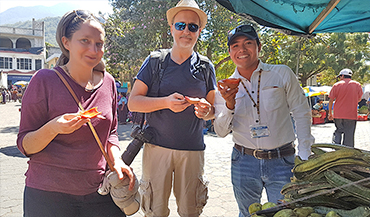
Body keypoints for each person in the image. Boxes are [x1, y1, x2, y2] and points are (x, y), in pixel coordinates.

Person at [17, 10, 135, 217]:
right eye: (85, 41)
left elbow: (112, 133)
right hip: (47, 195)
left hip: (99, 190)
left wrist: (117, 160)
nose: (93, 49)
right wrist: (54, 128)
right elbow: (25, 145)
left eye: (99, 44)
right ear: (66, 42)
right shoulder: (44, 80)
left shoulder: (108, 82)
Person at [213, 24, 314, 217]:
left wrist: (305, 154)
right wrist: (229, 105)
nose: (241, 50)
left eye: (248, 43)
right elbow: (220, 131)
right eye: (235, 46)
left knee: (285, 213)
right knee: (247, 214)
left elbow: (301, 112)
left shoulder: (282, 73)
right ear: (229, 52)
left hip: (283, 161)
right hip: (244, 161)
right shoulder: (225, 88)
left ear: (259, 47)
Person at [128, 0, 216, 216]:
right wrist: (165, 102)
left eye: (192, 27)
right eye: (181, 25)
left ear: (199, 32)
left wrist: (207, 111)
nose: (186, 31)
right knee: (155, 211)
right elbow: (134, 101)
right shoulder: (155, 61)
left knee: (190, 211)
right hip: (157, 148)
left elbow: (214, 109)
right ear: (172, 28)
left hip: (193, 151)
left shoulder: (206, 67)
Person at [328, 68, 363, 147]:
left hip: (338, 114)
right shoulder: (357, 85)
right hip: (351, 114)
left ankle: (336, 148)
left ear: (342, 76)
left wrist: (330, 113)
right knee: (349, 135)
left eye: (340, 76)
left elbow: (331, 100)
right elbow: (359, 99)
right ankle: (347, 153)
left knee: (338, 131)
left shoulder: (337, 85)